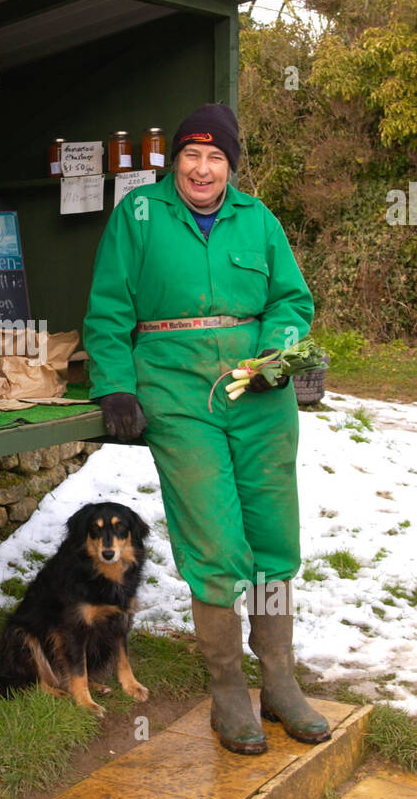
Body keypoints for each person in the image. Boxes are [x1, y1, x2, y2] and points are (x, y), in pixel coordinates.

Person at [83, 103, 330, 755]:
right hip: (176, 386)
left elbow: (290, 300)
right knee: (215, 541)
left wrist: (278, 353)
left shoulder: (259, 220)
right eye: (191, 153)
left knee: (272, 537)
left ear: (229, 164)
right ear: (175, 161)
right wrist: (115, 382)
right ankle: (226, 691)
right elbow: (108, 308)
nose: (201, 166)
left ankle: (277, 680)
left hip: (257, 388)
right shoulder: (138, 216)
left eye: (214, 156)